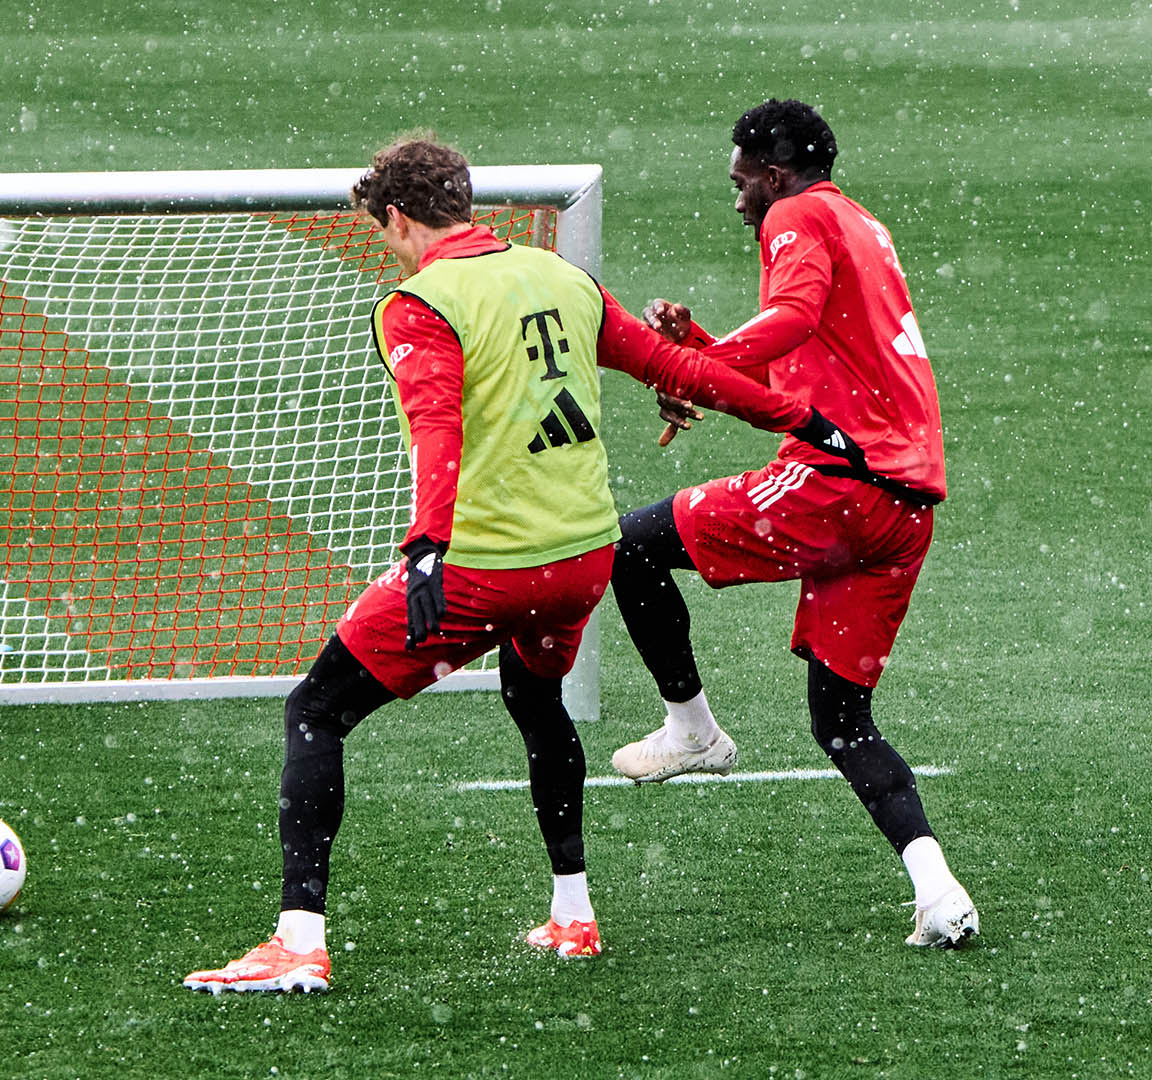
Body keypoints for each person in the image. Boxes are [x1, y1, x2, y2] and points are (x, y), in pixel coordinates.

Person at [183, 135, 866, 993]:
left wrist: (428, 547)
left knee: (316, 712)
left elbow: (437, 427)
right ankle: (573, 916)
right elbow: (676, 367)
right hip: (580, 561)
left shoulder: (418, 304)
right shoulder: (561, 279)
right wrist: (800, 420)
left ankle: (297, 942)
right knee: (535, 695)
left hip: (483, 566)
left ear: (397, 217)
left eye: (383, 228)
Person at [605, 98, 975, 947]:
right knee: (842, 721)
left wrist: (688, 362)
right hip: (904, 507)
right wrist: (700, 346)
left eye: (741, 183)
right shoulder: (856, 221)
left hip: (838, 487)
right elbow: (808, 357)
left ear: (773, 174)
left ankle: (692, 731)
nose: (736, 201)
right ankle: (939, 889)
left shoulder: (797, 214)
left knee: (629, 546)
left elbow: (794, 321)